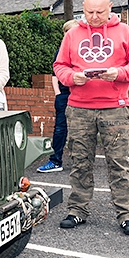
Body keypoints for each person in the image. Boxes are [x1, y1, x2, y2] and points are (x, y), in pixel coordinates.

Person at [53, 0, 129, 236]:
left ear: (110, 7)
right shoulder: (72, 34)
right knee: (80, 161)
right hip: (79, 108)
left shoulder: (125, 32)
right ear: (83, 7)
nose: (93, 17)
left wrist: (120, 73)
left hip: (115, 108)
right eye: (89, 11)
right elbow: (59, 65)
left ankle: (127, 215)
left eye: (99, 12)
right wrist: (72, 77)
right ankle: (77, 210)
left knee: (119, 163)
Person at [37, 19, 79, 173]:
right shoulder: (59, 52)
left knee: (81, 129)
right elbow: (54, 75)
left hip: (80, 96)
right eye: (69, 32)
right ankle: (55, 161)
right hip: (64, 95)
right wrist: (58, 94)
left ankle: (80, 162)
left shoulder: (83, 51)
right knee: (60, 129)